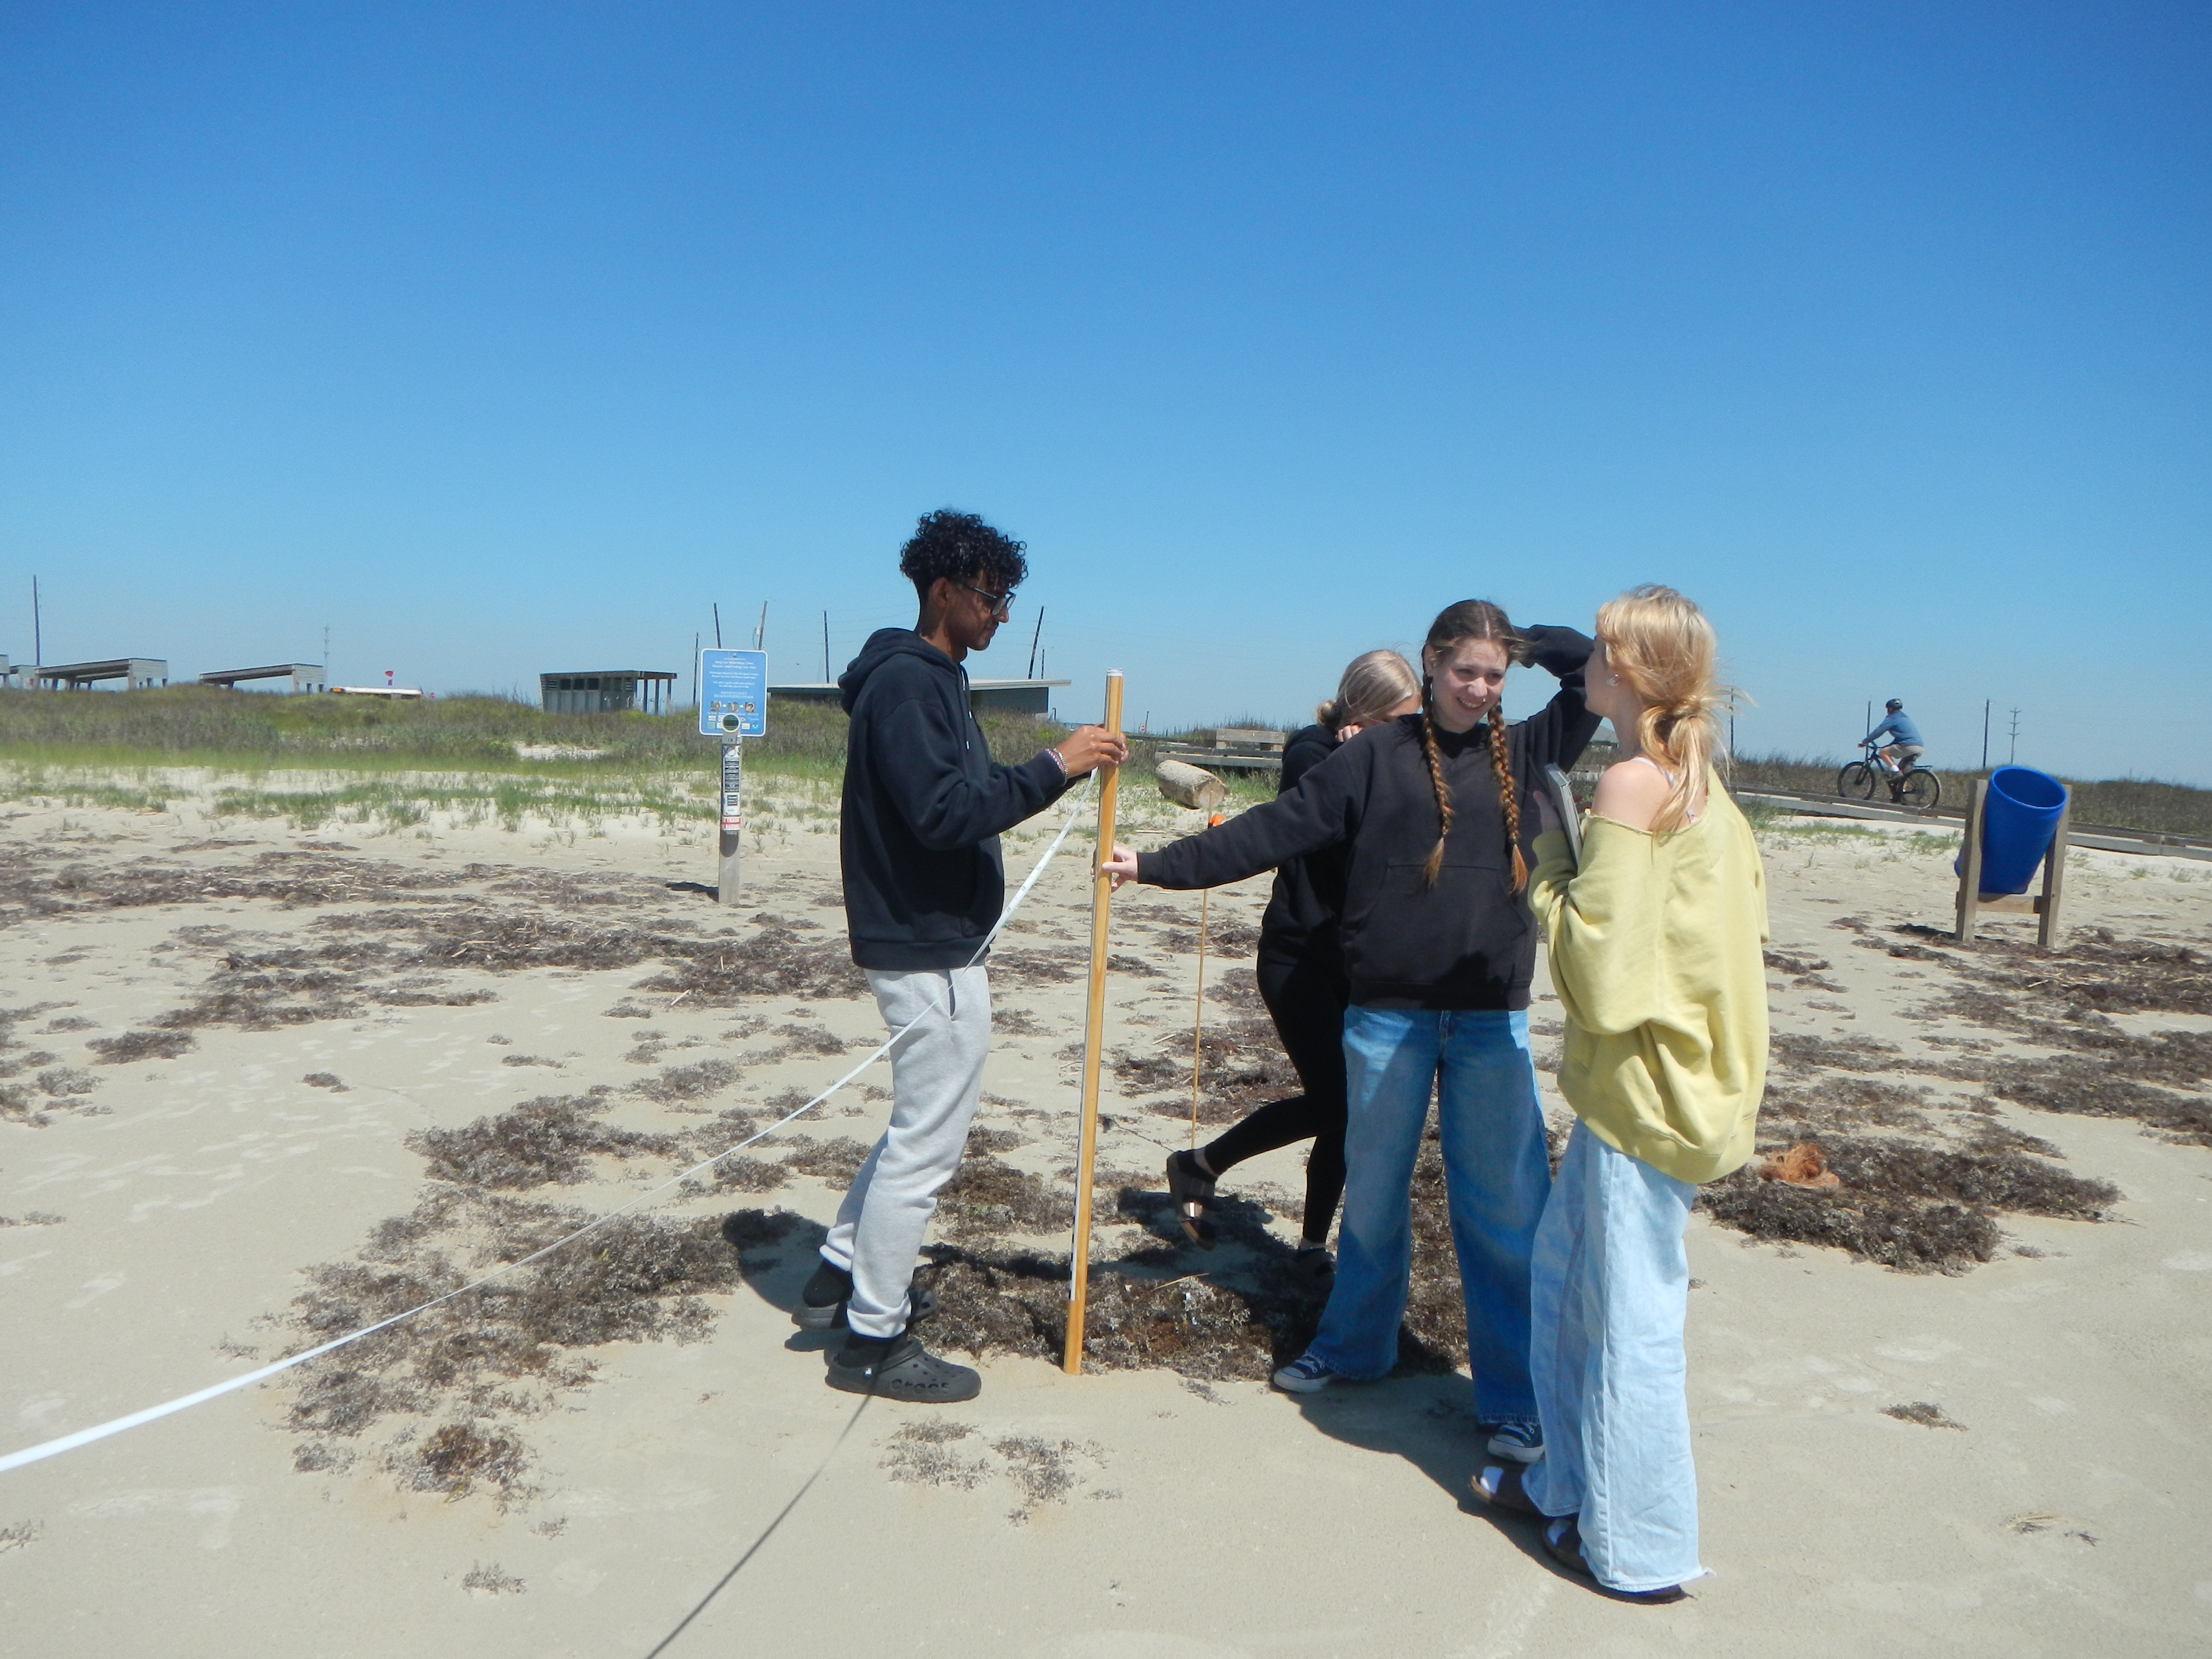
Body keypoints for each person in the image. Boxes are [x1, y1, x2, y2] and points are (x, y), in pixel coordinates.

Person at [1105, 601, 1599, 1465]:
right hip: (1385, 1016)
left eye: (1494, 675)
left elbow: (1591, 669)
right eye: (1465, 671)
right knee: (1371, 1199)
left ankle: (1515, 1399)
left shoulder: (1528, 748)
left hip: (1491, 1022)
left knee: (1502, 1214)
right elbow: (1271, 830)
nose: (1480, 689)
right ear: (1430, 664)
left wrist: (1520, 640)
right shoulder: (1372, 756)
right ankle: (1353, 1346)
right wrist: (1153, 866)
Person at [1469, 585, 1767, 1604]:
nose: (1587, 667)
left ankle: (1638, 1547)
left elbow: (1600, 979)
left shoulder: (1634, 784)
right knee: (1565, 1287)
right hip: (1670, 1088)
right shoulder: (1700, 780)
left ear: (1633, 672)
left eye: (1600, 652)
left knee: (1629, 1321)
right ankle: (1563, 1481)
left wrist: (1548, 860)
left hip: (1648, 1094)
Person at [801, 508, 1126, 1403]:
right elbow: (944, 813)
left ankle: (837, 1271)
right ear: (941, 590)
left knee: (916, 1122)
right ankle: (873, 1340)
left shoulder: (931, 679)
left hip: (933, 940)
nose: (1000, 615)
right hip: (926, 947)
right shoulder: (908, 686)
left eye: (1006, 598)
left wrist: (1048, 768)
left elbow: (963, 792)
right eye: (989, 597)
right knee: (926, 1149)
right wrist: (1055, 766)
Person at [1164, 649, 1423, 1292]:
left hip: (1356, 961)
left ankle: (1310, 1246)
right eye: (1399, 723)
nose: (1408, 738)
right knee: (1335, 1100)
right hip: (1296, 957)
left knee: (1349, 1110)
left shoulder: (1384, 761)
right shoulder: (1313, 754)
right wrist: (1357, 762)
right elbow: (1339, 833)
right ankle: (1201, 1163)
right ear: (1364, 714)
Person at [1863, 699, 1924, 772]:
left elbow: (1879, 731)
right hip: (1920, 748)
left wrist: (1865, 742)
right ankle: (1901, 776)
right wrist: (1888, 746)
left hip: (1908, 746)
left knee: (1883, 752)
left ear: (1890, 709)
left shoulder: (1892, 718)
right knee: (1902, 772)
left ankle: (1896, 772)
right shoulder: (1905, 718)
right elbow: (1902, 737)